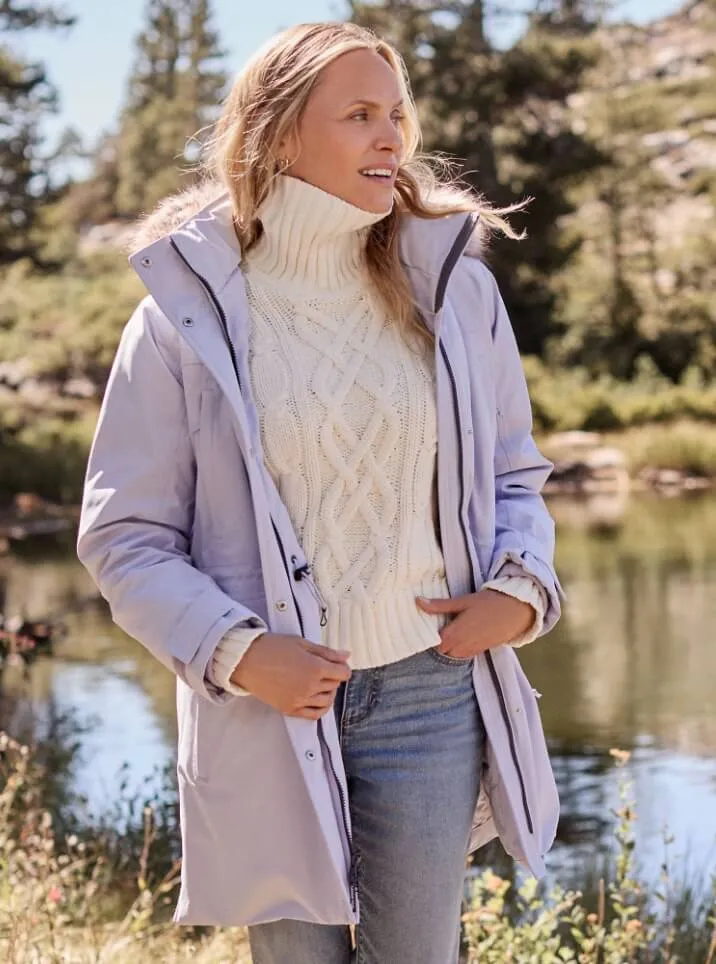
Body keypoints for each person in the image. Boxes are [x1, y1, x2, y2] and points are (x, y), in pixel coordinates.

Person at [77, 20, 564, 964]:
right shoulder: (185, 316)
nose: (393, 138)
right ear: (280, 133)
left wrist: (520, 586)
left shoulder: (454, 290)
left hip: (430, 691)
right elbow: (125, 535)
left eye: (396, 115)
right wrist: (239, 651)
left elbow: (514, 474)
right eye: (359, 115)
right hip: (269, 703)